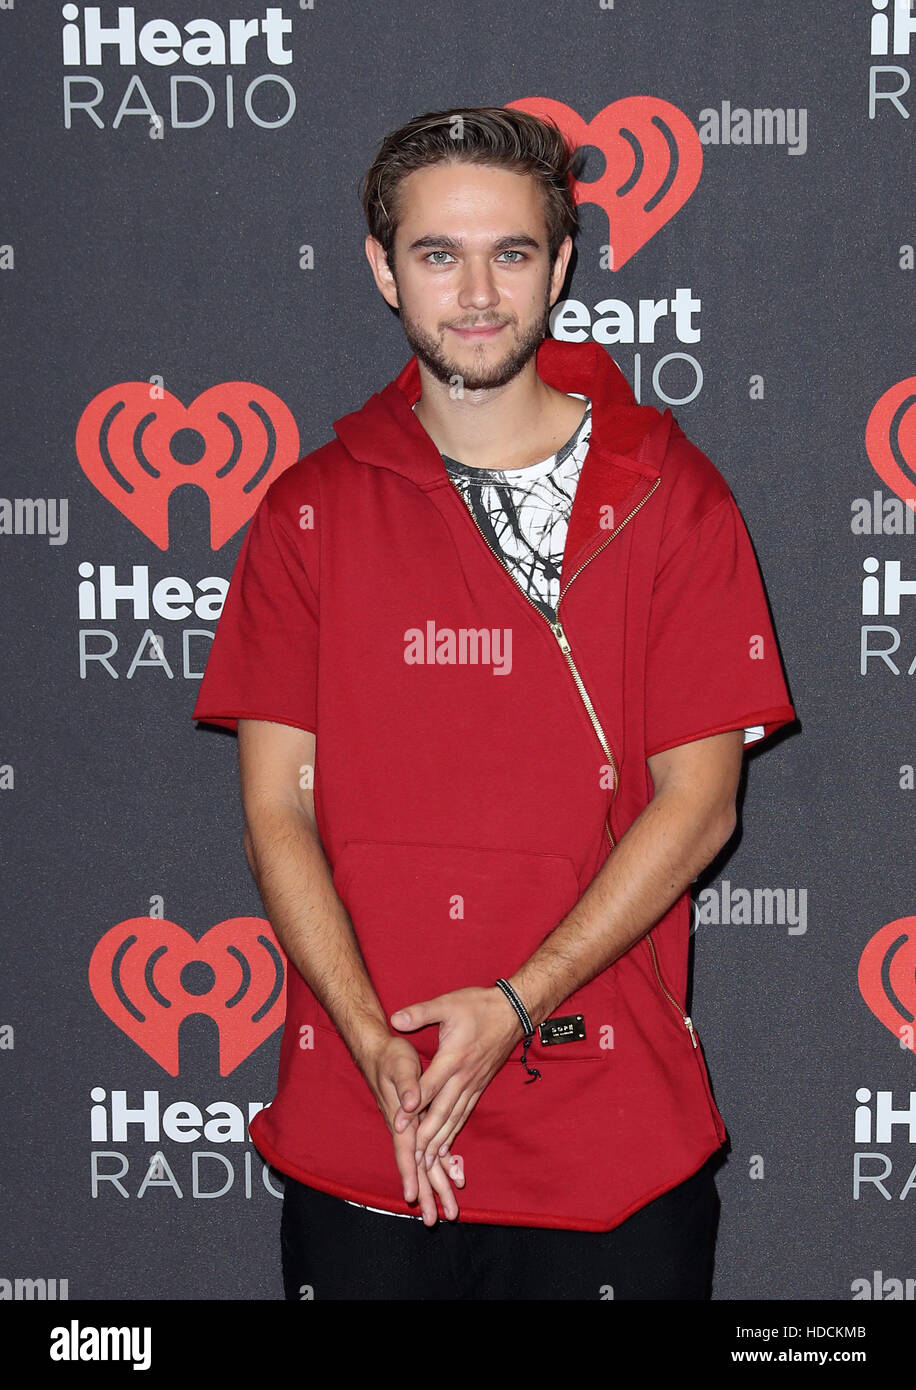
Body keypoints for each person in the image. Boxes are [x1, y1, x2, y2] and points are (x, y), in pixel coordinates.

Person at [192, 105, 796, 1300]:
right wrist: (374, 1041)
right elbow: (278, 811)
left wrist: (517, 1001)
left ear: (560, 265)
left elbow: (702, 804)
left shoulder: (672, 497)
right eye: (437, 254)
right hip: (368, 1124)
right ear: (381, 269)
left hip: (610, 1140)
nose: (476, 292)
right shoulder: (309, 511)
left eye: (511, 253)